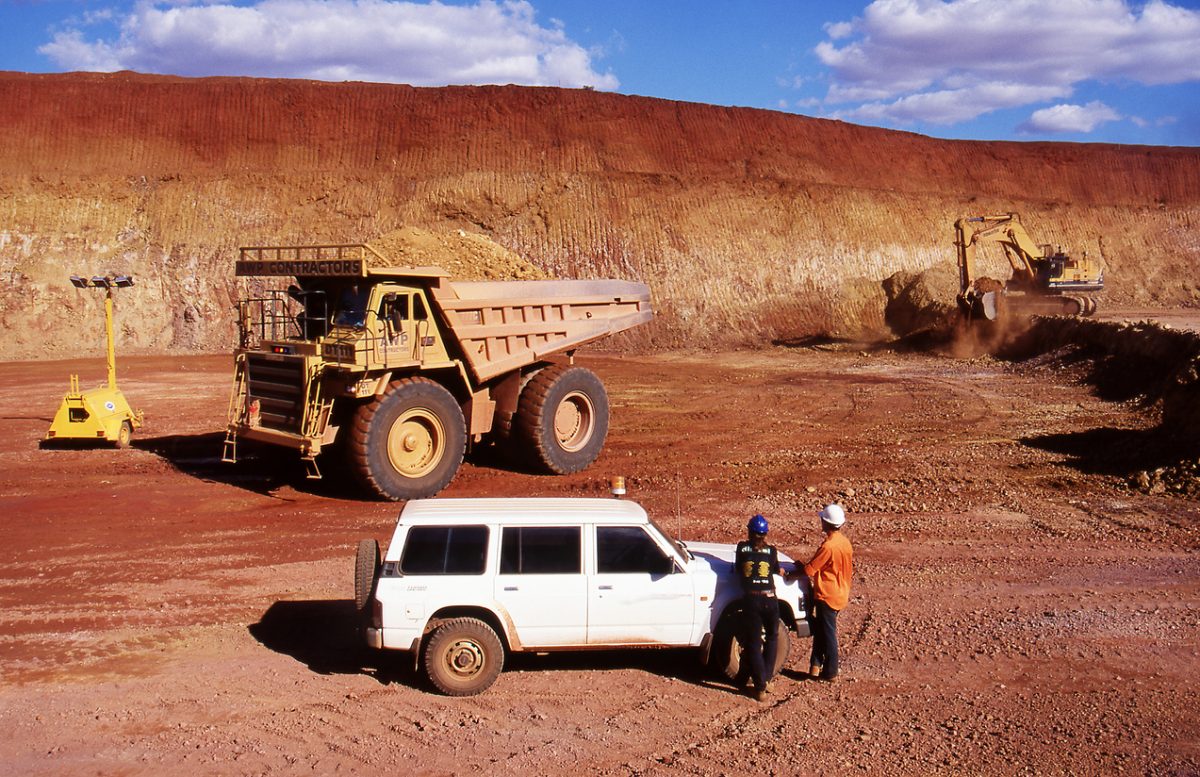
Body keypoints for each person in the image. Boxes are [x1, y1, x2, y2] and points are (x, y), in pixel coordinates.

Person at [788, 503, 853, 681]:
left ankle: (831, 670)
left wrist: (789, 574)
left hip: (827, 595)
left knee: (828, 632)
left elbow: (810, 571)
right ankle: (815, 666)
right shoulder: (845, 543)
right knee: (823, 629)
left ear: (826, 522)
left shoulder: (829, 546)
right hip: (840, 593)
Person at [734, 513, 781, 701]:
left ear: (749, 531)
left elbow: (739, 568)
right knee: (772, 638)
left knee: (753, 642)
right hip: (770, 597)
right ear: (765, 533)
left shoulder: (741, 548)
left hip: (751, 600)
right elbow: (775, 569)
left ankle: (760, 686)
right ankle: (766, 679)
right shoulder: (772, 551)